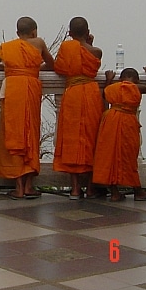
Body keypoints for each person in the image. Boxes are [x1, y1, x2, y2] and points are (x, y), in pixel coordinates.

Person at [0, 17, 54, 200]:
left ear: (17, 33)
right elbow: (53, 65)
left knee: (13, 134)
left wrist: (10, 68)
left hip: (12, 89)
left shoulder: (7, 47)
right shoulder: (38, 43)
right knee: (29, 133)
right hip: (30, 88)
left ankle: (18, 188)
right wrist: (33, 69)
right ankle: (29, 186)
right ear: (34, 32)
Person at [53, 16, 103, 199]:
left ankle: (75, 189)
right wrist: (89, 43)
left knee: (72, 141)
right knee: (91, 138)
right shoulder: (97, 51)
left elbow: (59, 68)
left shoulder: (67, 47)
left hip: (73, 94)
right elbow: (89, 55)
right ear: (88, 32)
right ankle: (90, 188)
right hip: (91, 94)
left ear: (70, 33)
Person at [92, 67, 146, 202]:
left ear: (120, 79)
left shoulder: (113, 87)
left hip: (110, 120)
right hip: (127, 121)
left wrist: (109, 79)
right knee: (129, 156)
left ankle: (115, 192)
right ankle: (137, 191)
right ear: (137, 79)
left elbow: (104, 94)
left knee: (109, 156)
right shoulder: (136, 87)